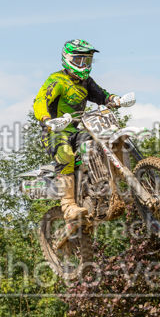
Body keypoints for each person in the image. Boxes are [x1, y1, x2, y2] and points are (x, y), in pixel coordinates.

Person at [33, 39, 119, 221]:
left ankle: (101, 190)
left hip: (75, 130)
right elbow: (40, 101)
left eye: (87, 61)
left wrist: (114, 99)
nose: (83, 65)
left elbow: (101, 95)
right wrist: (47, 119)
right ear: (68, 59)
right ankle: (68, 205)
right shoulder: (57, 80)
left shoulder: (85, 81)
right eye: (79, 60)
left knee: (97, 143)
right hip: (54, 131)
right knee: (66, 154)